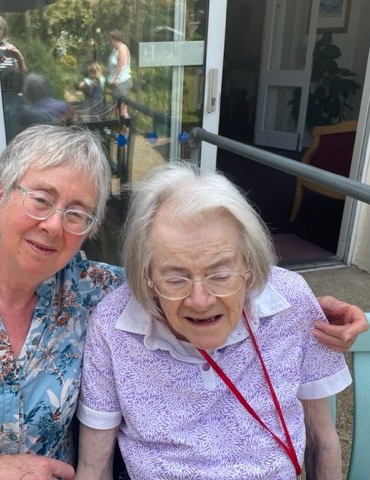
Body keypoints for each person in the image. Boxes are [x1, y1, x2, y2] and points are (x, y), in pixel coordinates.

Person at [0, 126, 365, 480]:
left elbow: (191, 272)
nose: (54, 225)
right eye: (41, 200)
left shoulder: (97, 291)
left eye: (78, 213)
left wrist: (305, 307)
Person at [76, 162, 353, 479]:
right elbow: (94, 468)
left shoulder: (290, 301)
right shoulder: (114, 325)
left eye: (220, 275)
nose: (200, 300)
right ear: (147, 276)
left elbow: (321, 439)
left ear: (249, 264)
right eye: (176, 279)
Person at [106, 30, 132, 133]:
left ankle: (126, 134)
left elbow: (121, 65)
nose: (109, 41)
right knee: (117, 110)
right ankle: (121, 132)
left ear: (115, 39)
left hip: (122, 83)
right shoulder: (115, 50)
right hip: (116, 84)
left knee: (122, 110)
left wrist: (115, 78)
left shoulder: (122, 48)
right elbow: (112, 65)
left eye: (110, 39)